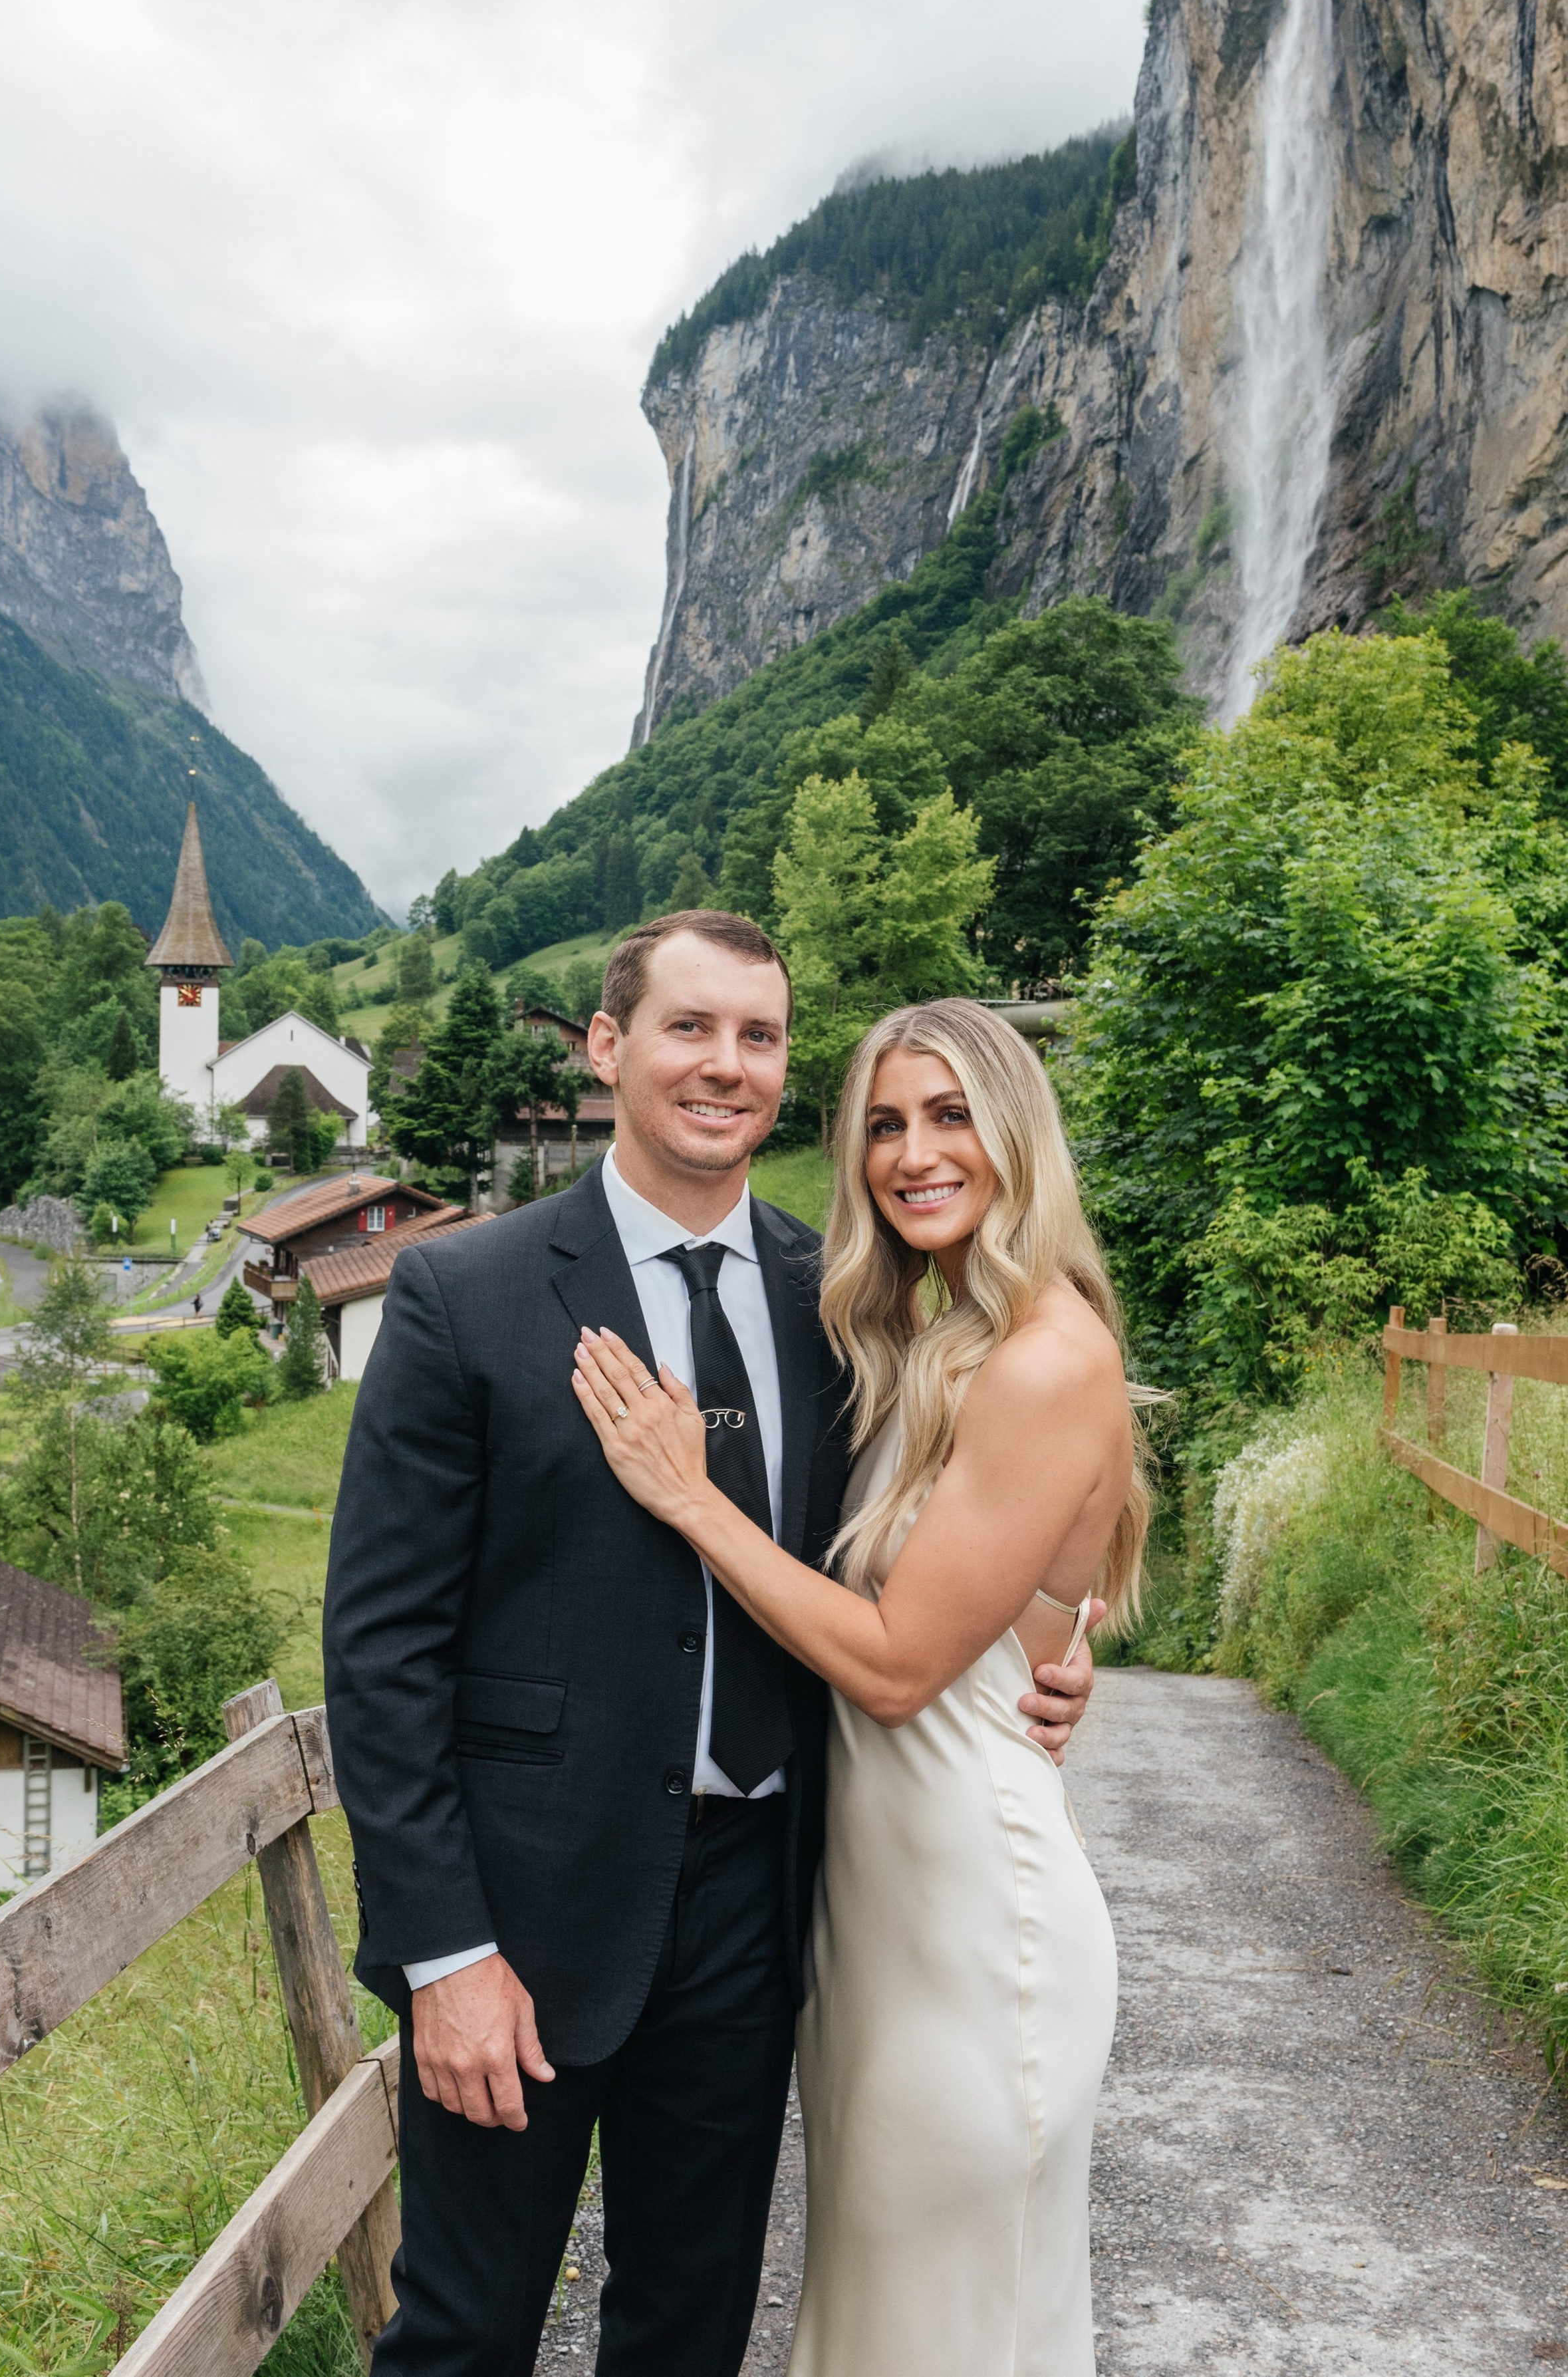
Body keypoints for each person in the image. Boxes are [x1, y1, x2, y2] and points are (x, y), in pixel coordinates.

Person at [323, 916, 1097, 2376]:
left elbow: (945, 1533)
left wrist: (1048, 1640)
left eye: (759, 1036)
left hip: (759, 1902)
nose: (725, 1065)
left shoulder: (848, 1302)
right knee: (464, 2336)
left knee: (687, 2335)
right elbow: (380, 1654)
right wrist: (445, 1953)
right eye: (689, 1027)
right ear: (608, 1045)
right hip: (524, 1915)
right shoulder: (466, 1294)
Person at [573, 995, 1146, 2377]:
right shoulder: (941, 1338)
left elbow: (893, 1666)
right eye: (884, 1124)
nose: (912, 1154)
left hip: (975, 1926)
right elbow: (1005, 1593)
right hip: (879, 1926)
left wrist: (690, 1499)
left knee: (953, 2328)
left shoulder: (1044, 1355)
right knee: (891, 2319)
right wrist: (1056, 1646)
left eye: (951, 1116)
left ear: (1017, 1131)